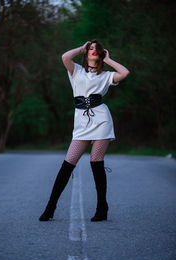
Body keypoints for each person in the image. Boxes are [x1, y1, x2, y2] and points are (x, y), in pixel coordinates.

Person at [39, 39, 130, 222]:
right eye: (90, 48)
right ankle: (50, 207)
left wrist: (108, 59)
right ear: (86, 52)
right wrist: (81, 48)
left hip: (101, 120)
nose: (93, 50)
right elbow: (65, 56)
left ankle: (101, 208)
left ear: (101, 52)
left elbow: (125, 72)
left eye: (96, 48)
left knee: (96, 161)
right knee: (68, 163)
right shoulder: (76, 71)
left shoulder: (106, 75)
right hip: (81, 122)